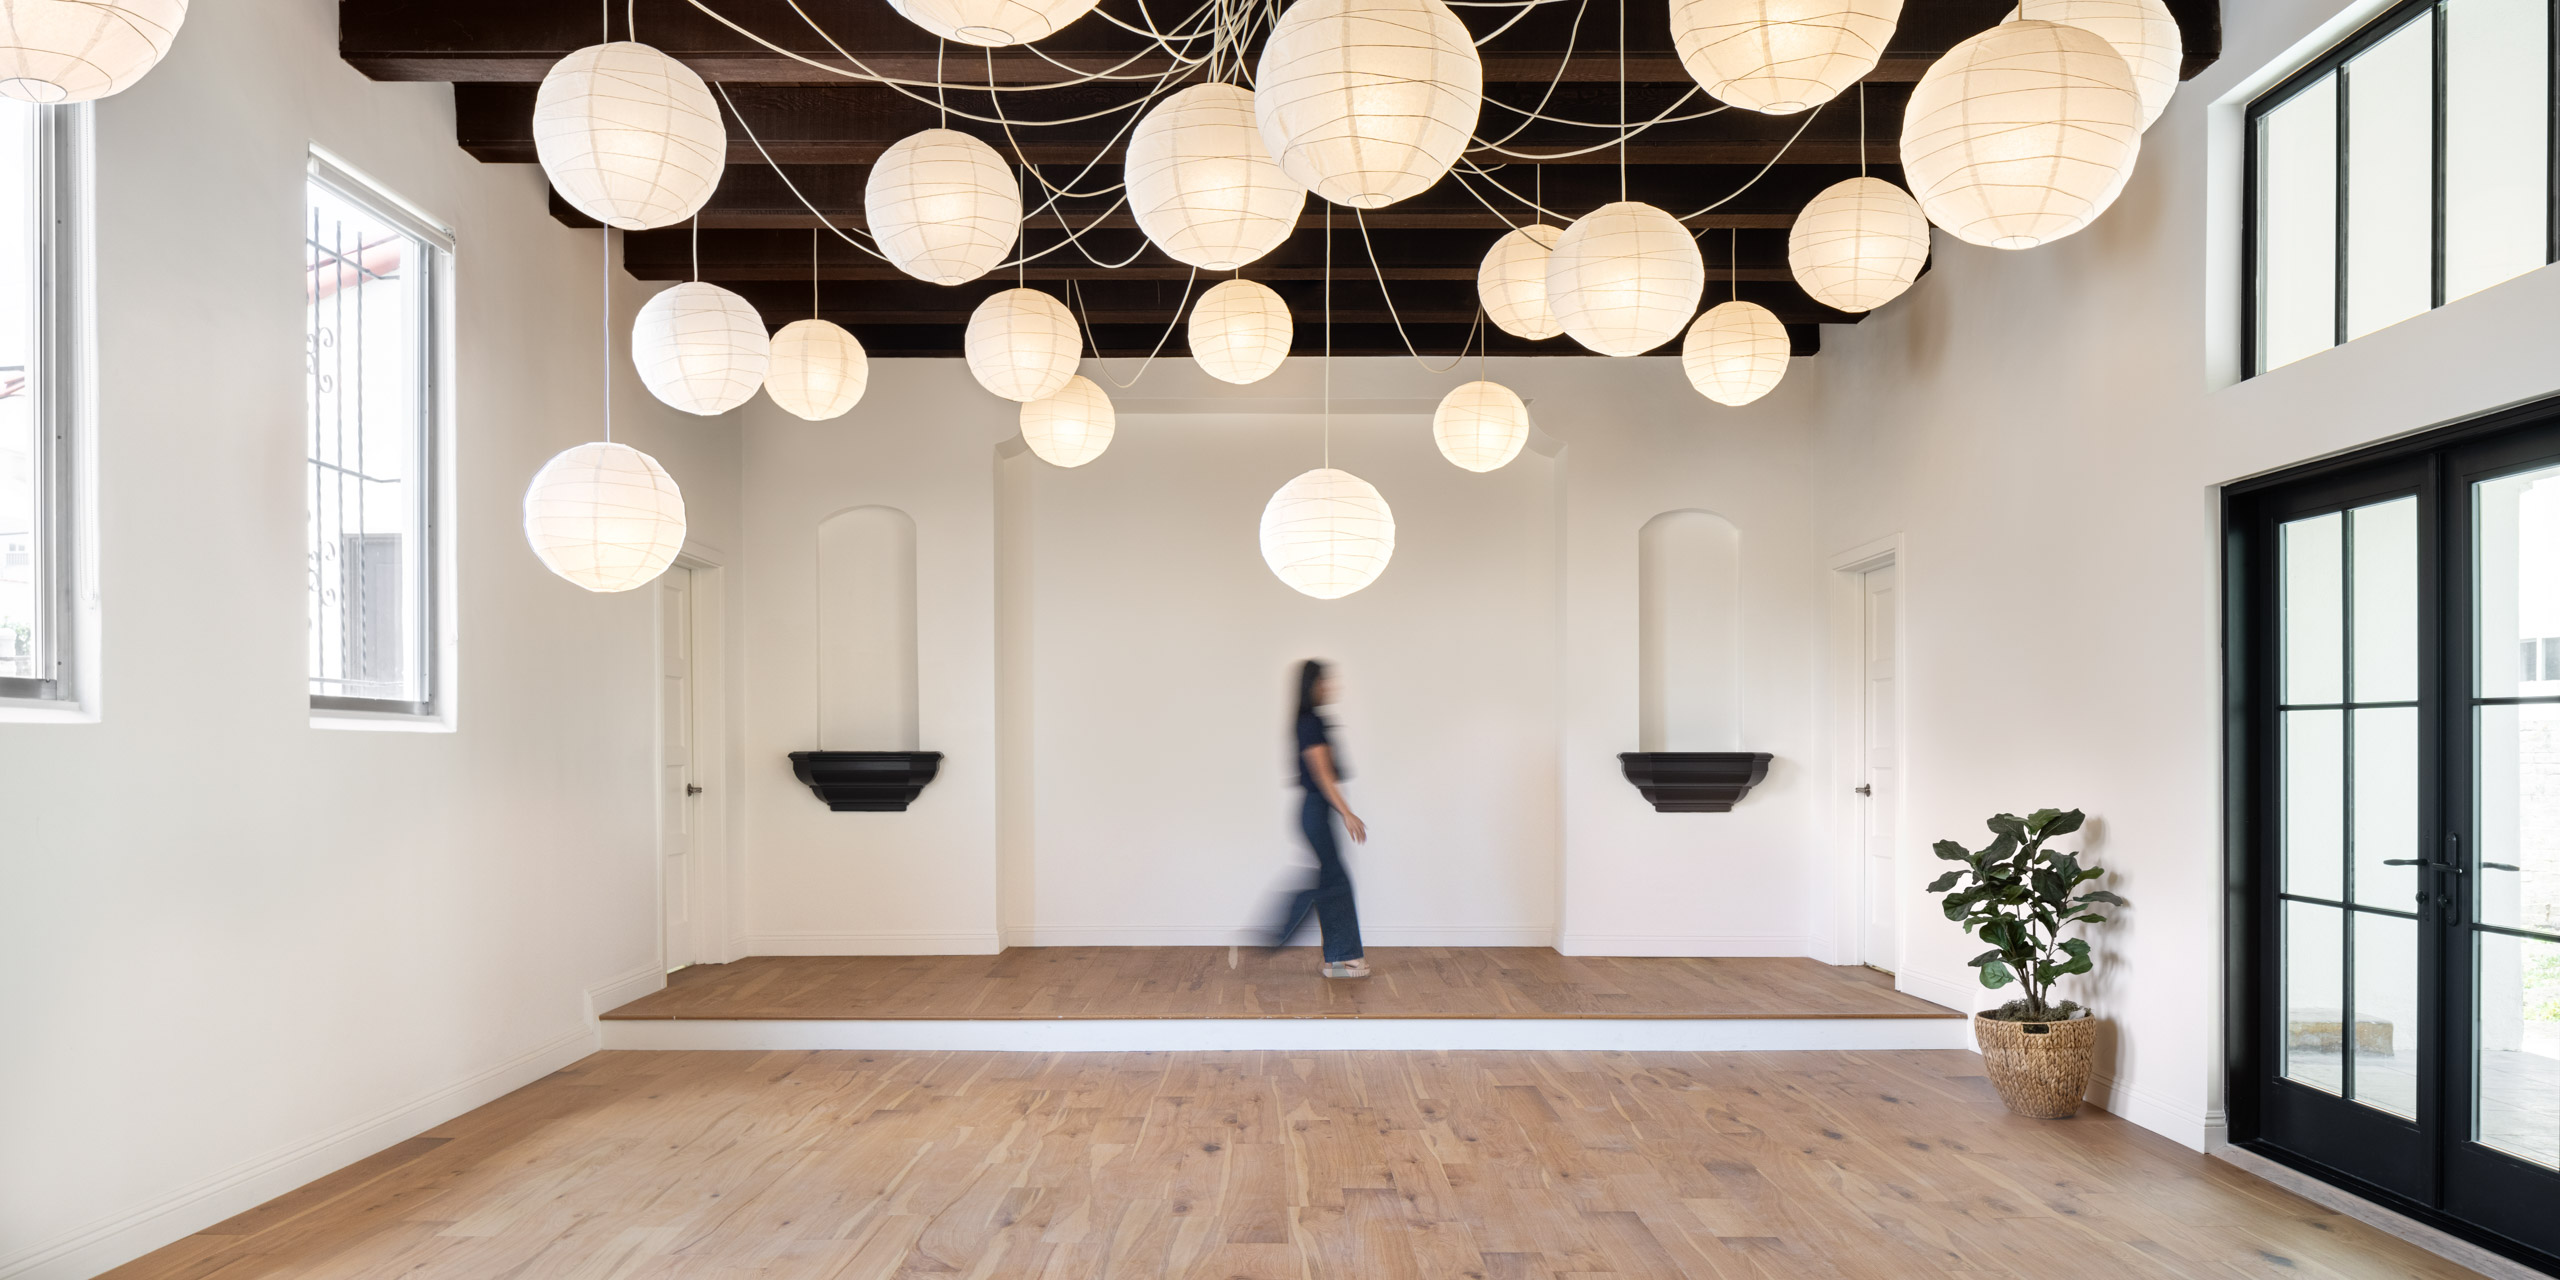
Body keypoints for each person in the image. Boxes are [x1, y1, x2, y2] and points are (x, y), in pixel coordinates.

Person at [1267, 659, 1369, 978]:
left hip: (1317, 809)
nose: (1331, 686)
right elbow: (1322, 774)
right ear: (1313, 685)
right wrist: (1346, 811)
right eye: (1326, 681)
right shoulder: (1310, 721)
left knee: (1331, 879)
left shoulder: (1312, 720)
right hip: (1316, 808)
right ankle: (1289, 931)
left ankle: (1336, 958)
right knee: (1333, 880)